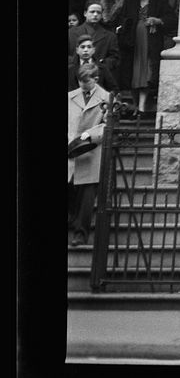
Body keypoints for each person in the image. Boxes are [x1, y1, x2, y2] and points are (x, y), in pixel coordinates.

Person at [118, 0, 177, 114]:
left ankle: (142, 106)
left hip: (151, 39)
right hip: (133, 40)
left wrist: (158, 20)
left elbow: (171, 18)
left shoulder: (160, 1)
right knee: (133, 71)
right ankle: (135, 104)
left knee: (147, 72)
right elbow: (122, 18)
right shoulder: (130, 1)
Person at [67, 65, 111, 245]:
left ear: (96, 79)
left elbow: (108, 125)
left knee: (86, 195)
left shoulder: (106, 98)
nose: (83, 85)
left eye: (87, 81)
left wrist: (90, 135)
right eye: (80, 81)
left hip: (91, 152)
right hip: (71, 151)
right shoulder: (70, 97)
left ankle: (81, 233)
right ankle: (72, 220)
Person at [68, 2, 121, 85]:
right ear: (85, 13)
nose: (95, 14)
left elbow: (115, 58)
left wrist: (100, 65)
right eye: (92, 12)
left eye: (98, 12)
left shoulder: (110, 36)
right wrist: (76, 64)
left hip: (98, 80)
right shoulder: (71, 33)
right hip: (73, 79)